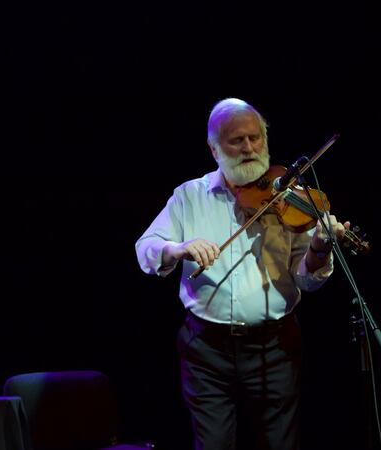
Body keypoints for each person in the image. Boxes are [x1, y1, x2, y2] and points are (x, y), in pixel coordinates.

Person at [135, 98, 348, 450]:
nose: (249, 148)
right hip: (206, 351)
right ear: (214, 148)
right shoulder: (190, 196)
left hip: (275, 347)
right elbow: (146, 249)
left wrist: (320, 248)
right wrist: (178, 248)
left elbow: (307, 280)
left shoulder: (289, 197)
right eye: (237, 140)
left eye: (255, 138)